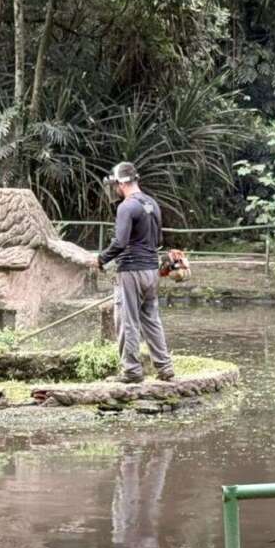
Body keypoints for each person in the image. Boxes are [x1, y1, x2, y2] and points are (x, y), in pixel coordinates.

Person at [95, 161, 175, 383]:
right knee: (151, 319)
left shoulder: (126, 207)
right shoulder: (152, 203)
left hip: (131, 270)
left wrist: (101, 259)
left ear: (120, 183)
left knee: (127, 320)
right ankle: (165, 368)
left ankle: (131, 371)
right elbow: (158, 239)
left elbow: (120, 242)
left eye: (115, 185)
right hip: (151, 270)